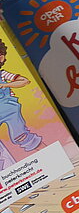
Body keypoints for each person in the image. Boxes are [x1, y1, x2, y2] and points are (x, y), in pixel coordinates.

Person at [0, 39, 41, 169]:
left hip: (8, 108)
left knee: (22, 136)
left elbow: (24, 81)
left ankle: (52, 161)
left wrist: (5, 85)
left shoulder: (3, 74)